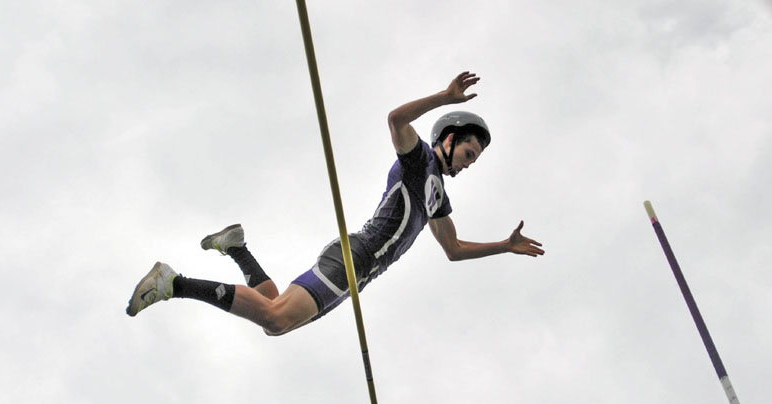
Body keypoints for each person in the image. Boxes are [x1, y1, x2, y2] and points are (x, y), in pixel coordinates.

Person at [126, 71, 544, 335]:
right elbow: (396, 120)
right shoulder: (418, 160)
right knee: (277, 318)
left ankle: (236, 247)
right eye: (469, 154)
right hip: (355, 255)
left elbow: (452, 250)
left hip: (360, 272)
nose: (469, 165)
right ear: (449, 139)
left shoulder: (438, 197)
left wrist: (504, 247)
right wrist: (444, 97)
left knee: (273, 315)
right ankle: (173, 283)